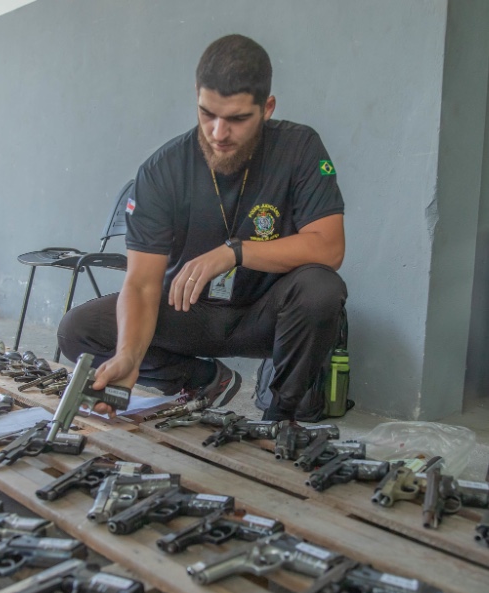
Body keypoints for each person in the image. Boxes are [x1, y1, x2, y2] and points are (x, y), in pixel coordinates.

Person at [57, 34, 347, 422]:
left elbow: (329, 248)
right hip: (189, 313)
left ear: (267, 108)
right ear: (197, 96)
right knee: (78, 329)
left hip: (266, 315)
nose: (218, 133)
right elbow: (141, 284)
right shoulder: (162, 171)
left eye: (237, 119)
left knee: (321, 289)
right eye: (208, 114)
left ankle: (281, 419)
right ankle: (204, 380)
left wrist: (235, 252)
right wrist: (129, 355)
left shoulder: (299, 148)